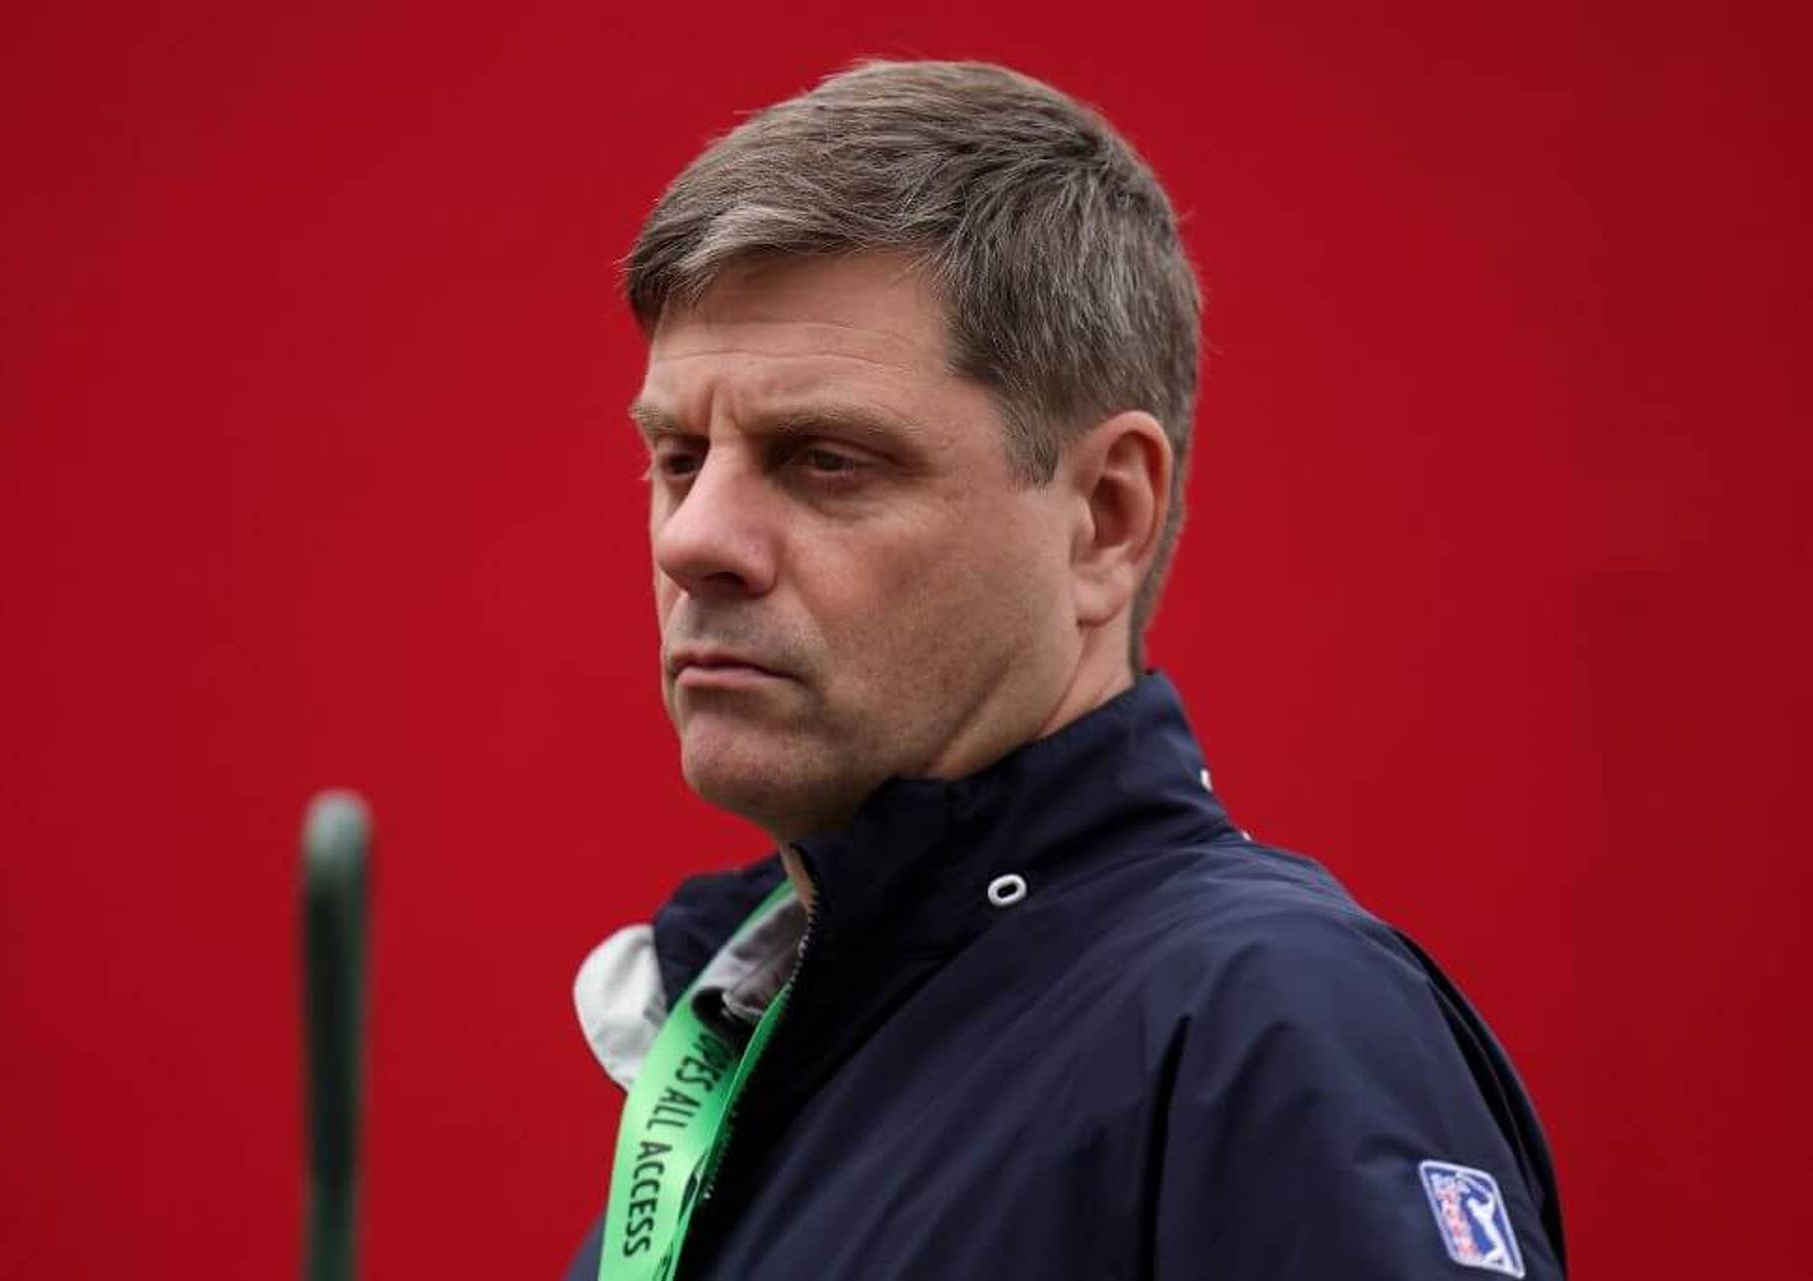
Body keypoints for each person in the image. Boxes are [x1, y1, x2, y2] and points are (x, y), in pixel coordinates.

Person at [565, 59, 1565, 1280]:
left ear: (1103, 516)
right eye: (677, 456)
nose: (693, 539)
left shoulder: (1270, 1027)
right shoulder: (751, 1035)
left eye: (826, 459)